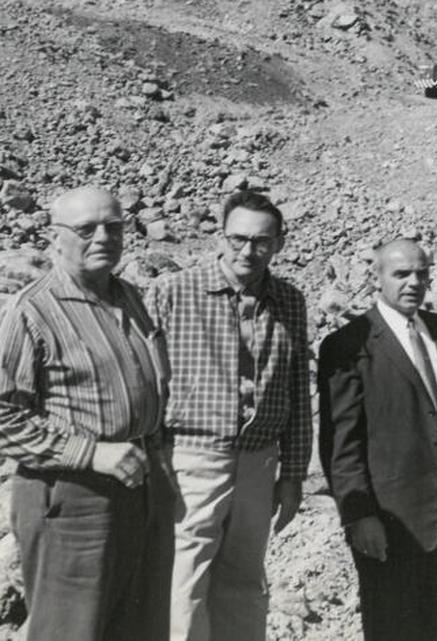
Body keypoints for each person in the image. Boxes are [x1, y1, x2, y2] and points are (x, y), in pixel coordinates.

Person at [318, 239, 437, 641]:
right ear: (377, 278)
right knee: (393, 623)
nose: (414, 283)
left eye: (422, 274)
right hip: (390, 513)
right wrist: (358, 515)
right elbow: (340, 442)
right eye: (401, 274)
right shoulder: (349, 345)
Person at [0, 186, 172, 640]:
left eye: (113, 227)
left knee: (137, 627)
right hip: (72, 496)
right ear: (54, 237)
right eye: (86, 229)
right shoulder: (33, 310)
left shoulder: (130, 297)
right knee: (71, 630)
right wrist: (91, 453)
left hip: (140, 485)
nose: (103, 238)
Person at [147, 190, 311, 641]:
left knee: (244, 582)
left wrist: (293, 474)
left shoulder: (289, 301)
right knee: (186, 584)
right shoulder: (173, 291)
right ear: (220, 237)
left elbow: (298, 391)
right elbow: (148, 384)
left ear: (278, 244)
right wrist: (154, 460)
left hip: (259, 461)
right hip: (192, 458)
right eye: (238, 238)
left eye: (261, 241)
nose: (248, 250)